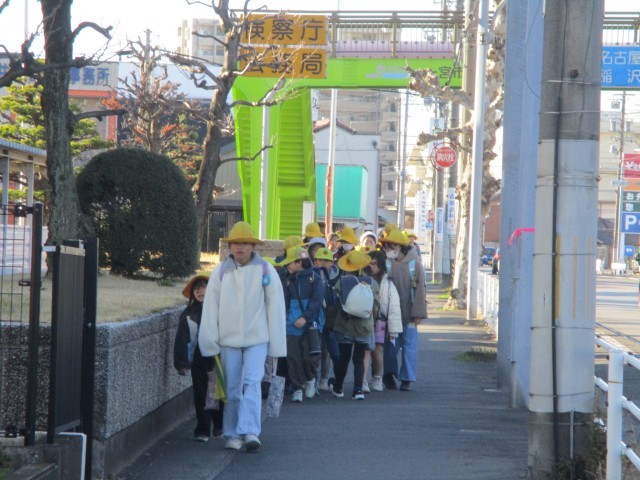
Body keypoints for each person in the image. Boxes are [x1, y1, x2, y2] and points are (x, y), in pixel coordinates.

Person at [199, 221, 286, 451]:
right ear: (229, 246)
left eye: (245, 243)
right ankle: (232, 433)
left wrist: (277, 345)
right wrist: (210, 341)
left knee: (253, 382)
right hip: (228, 340)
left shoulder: (266, 270)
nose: (240, 247)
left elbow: (275, 307)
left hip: (258, 339)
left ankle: (250, 431)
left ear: (253, 246)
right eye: (236, 243)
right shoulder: (220, 272)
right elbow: (211, 309)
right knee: (232, 388)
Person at [173, 273, 223, 442]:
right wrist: (181, 363)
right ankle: (203, 428)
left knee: (217, 392)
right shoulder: (188, 314)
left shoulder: (219, 309)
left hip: (217, 357)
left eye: (203, 287)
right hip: (197, 358)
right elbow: (181, 340)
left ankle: (219, 424)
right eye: (196, 289)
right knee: (200, 393)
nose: (200, 291)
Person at [379, 228, 427, 391]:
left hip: (410, 313)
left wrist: (418, 314)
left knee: (409, 348)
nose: (387, 250)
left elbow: (420, 290)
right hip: (390, 315)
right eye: (386, 247)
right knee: (390, 347)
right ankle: (389, 375)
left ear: (399, 247)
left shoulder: (415, 264)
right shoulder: (386, 263)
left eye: (390, 246)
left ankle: (406, 378)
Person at [331, 250, 379, 400]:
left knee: (343, 358)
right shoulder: (372, 283)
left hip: (345, 326)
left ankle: (338, 387)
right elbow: (376, 306)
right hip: (364, 327)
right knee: (359, 359)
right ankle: (358, 390)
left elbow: (335, 304)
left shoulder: (342, 282)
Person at [279, 246, 324, 402]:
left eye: (290, 262)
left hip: (310, 324)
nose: (287, 266)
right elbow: (284, 302)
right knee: (293, 358)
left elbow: (317, 301)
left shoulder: (315, 278)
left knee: (310, 357)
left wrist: (305, 318)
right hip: (290, 325)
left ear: (299, 262)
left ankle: (310, 379)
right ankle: (297, 388)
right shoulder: (287, 279)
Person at [365, 250, 403, 392]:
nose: (372, 266)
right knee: (365, 350)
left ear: (381, 265)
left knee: (377, 350)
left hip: (380, 321)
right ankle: (363, 380)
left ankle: (377, 378)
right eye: (370, 263)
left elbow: (394, 307)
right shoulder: (363, 278)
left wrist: (393, 330)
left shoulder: (388, 283)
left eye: (375, 263)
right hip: (364, 319)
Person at [312, 247, 341, 391]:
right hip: (317, 318)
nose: (323, 263)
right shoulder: (311, 275)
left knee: (331, 352)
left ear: (332, 262)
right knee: (316, 351)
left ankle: (326, 379)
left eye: (327, 260)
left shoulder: (338, 277)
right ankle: (314, 380)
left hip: (332, 320)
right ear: (315, 261)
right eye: (320, 260)